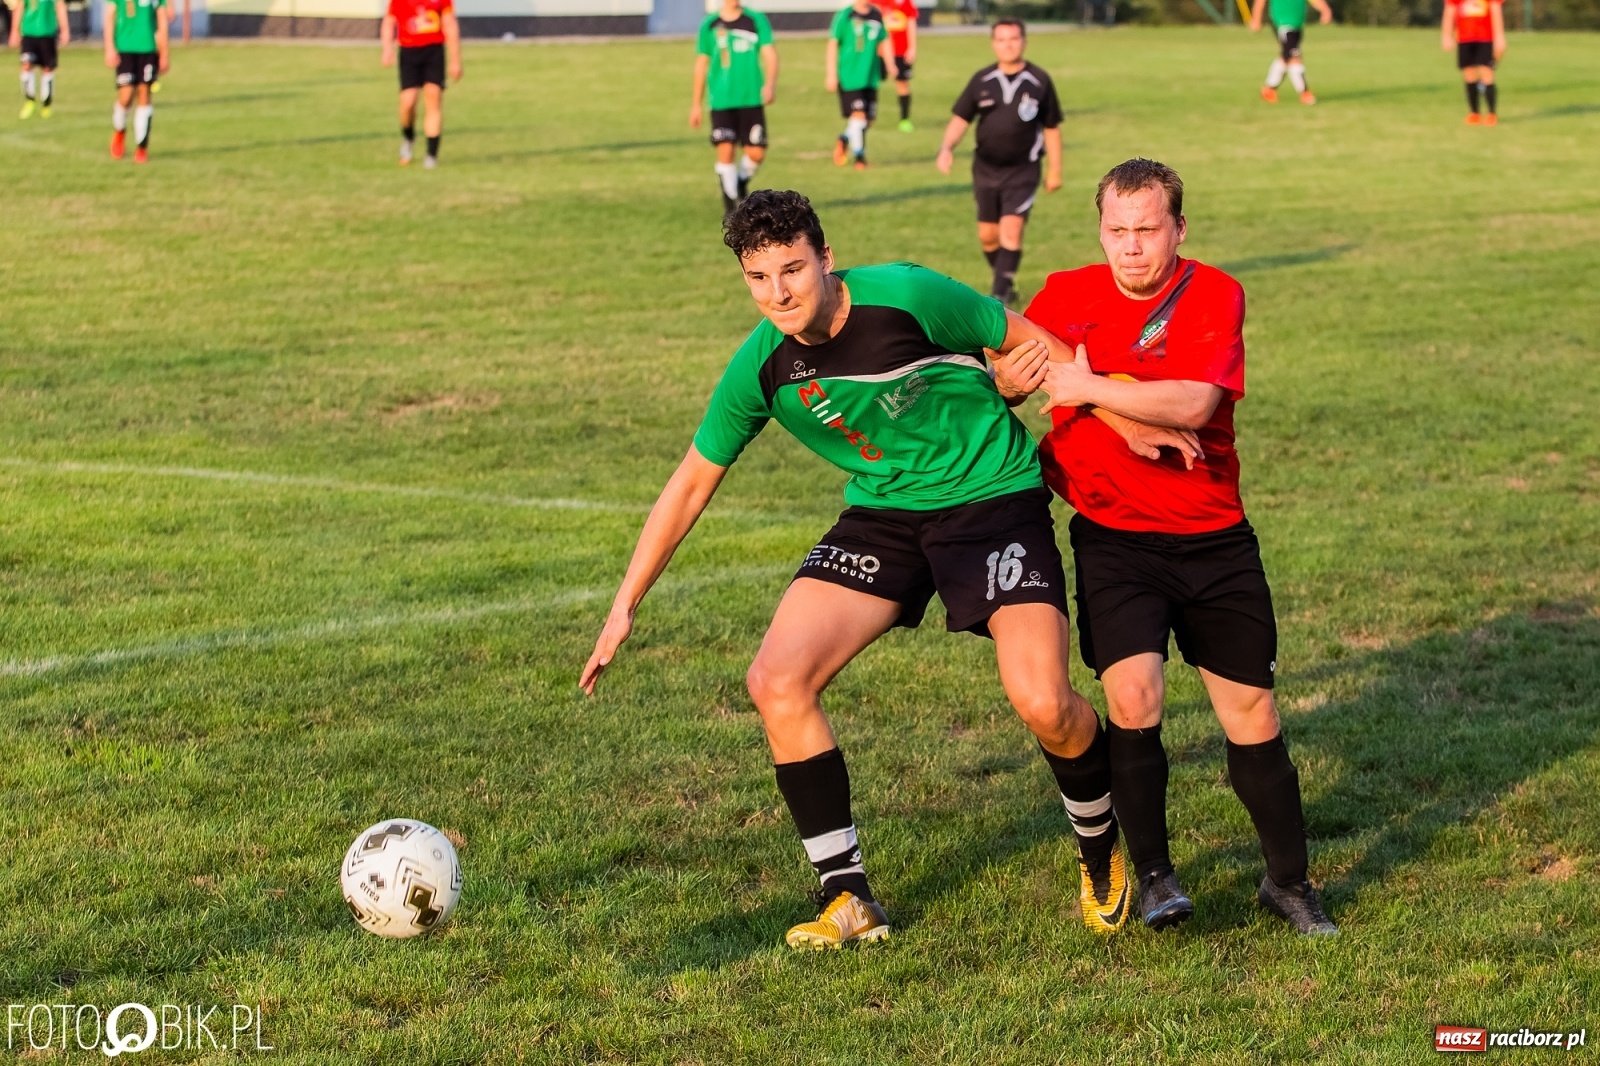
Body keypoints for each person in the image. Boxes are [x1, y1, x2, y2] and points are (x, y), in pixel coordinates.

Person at [580, 190, 1203, 948]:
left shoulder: (908, 295)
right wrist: (625, 604)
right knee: (776, 680)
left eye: (792, 270)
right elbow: (690, 482)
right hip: (885, 516)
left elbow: (1034, 346)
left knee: (1043, 701)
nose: (778, 294)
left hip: (991, 500)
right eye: (758, 278)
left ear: (826, 258)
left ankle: (1099, 847)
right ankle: (848, 897)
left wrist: (1126, 420)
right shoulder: (763, 366)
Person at [1002, 158, 1337, 936]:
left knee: (1250, 709)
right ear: (1100, 231)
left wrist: (1085, 385)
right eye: (1117, 230)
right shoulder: (1066, 294)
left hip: (1214, 539)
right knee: (1133, 697)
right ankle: (1155, 876)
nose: (1131, 246)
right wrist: (1041, 383)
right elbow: (1006, 371)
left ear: (1178, 229)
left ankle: (1289, 882)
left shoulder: (1214, 292)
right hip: (1114, 540)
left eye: (1147, 229)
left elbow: (1193, 400)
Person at [936, 19, 1062, 306]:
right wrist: (946, 148)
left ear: (1024, 41)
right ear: (993, 44)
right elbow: (961, 119)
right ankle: (1005, 278)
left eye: (1014, 39)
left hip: (1023, 169)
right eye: (1002, 40)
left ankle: (999, 295)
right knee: (988, 237)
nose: (1008, 45)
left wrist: (1055, 170)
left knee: (1011, 229)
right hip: (985, 168)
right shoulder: (982, 80)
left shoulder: (1039, 81)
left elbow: (1052, 128)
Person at [691, 0, 778, 215]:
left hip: (751, 98)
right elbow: (701, 64)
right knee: (726, 150)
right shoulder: (710, 24)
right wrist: (696, 104)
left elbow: (770, 54)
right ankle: (730, 208)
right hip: (721, 100)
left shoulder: (755, 20)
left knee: (756, 152)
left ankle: (740, 182)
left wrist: (769, 84)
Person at [380, 0, 462, 169]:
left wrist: (455, 60)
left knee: (433, 97)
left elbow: (450, 24)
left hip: (434, 51)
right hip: (409, 52)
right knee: (408, 102)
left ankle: (431, 155)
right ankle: (408, 137)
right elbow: (389, 22)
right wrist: (387, 49)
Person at [826, 0, 895, 170]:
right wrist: (831, 74)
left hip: (871, 76)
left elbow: (884, 40)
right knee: (859, 117)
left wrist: (890, 63)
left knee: (868, 121)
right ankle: (859, 157)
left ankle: (844, 139)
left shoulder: (876, 15)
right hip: (849, 76)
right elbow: (833, 43)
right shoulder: (845, 15)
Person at [103, 0, 168, 163]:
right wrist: (109, 48)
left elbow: (162, 19)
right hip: (125, 48)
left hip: (148, 48)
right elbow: (109, 17)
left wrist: (164, 53)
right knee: (126, 97)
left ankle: (142, 147)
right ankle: (119, 130)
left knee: (144, 94)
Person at [1249, 0, 1331, 106]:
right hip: (1282, 23)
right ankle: (1305, 92)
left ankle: (1269, 89)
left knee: (1286, 56)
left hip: (1297, 24)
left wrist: (1325, 10)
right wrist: (1256, 19)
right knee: (1294, 57)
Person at [1442, 0, 1505, 126]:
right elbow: (1449, 12)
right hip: (1464, 39)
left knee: (1487, 73)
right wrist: (1446, 36)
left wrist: (1499, 37)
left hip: (1486, 38)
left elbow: (1496, 11)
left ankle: (1491, 113)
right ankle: (1474, 113)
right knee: (1469, 75)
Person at [10, 0, 68, 119]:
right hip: (28, 33)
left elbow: (60, 6)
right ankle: (29, 100)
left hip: (47, 33)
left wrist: (65, 29)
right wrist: (15, 30)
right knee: (26, 64)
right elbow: (20, 7)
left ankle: (46, 105)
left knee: (47, 68)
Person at [879, 0, 917, 132]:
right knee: (871, 82)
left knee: (902, 83)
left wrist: (912, 47)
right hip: (880, 51)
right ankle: (864, 114)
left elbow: (911, 23)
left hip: (901, 50)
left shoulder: (905, 2)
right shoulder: (876, 2)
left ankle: (904, 119)